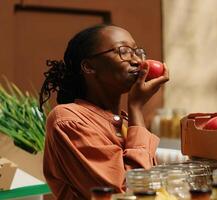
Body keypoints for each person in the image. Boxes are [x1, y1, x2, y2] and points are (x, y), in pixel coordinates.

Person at [39, 24, 169, 199]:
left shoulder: (123, 121)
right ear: (88, 66)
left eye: (137, 51)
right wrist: (137, 108)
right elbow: (126, 193)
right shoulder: (68, 119)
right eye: (123, 51)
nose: (138, 61)